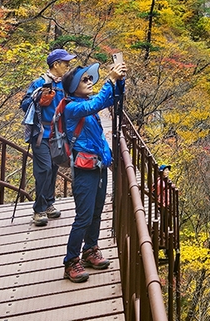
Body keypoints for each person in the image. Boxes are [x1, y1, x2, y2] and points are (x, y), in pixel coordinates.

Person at [60, 55, 125, 283]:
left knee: (96, 211)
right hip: (84, 169)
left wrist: (119, 81)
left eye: (90, 78)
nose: (89, 81)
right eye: (84, 79)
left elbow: (111, 99)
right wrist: (109, 80)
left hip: (98, 166)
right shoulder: (72, 108)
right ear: (72, 87)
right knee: (84, 216)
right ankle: (71, 262)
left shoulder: (85, 104)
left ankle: (90, 250)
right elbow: (96, 104)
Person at [20, 47, 74, 226]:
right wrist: (39, 97)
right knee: (44, 169)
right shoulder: (40, 82)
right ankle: (39, 209)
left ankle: (49, 203)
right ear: (56, 64)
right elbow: (24, 104)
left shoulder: (65, 84)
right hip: (41, 134)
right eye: (65, 63)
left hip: (58, 135)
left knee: (53, 168)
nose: (68, 66)